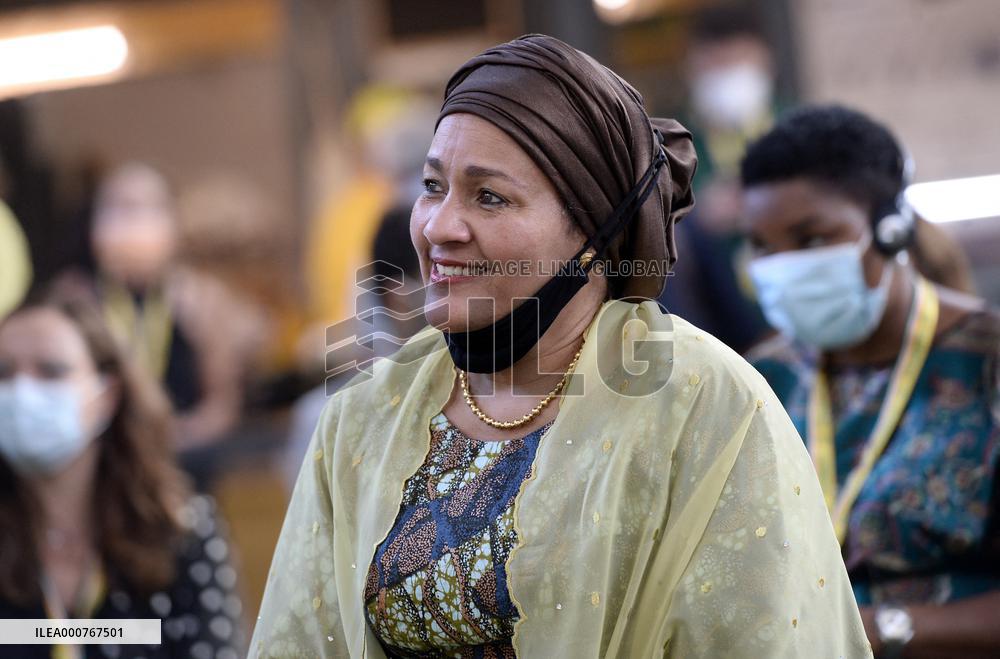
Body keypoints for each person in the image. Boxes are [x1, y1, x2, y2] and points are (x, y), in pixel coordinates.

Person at [250, 35, 871, 658]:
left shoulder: (702, 403)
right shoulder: (365, 416)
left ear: (594, 228)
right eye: (433, 186)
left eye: (489, 196)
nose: (438, 225)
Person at [741, 105, 1000, 658]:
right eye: (763, 247)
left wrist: (884, 629)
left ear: (890, 229)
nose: (783, 267)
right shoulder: (760, 379)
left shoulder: (988, 360)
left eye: (811, 240)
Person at [0, 293, 245, 657]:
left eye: (51, 371)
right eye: (3, 373)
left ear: (107, 394)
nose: (22, 392)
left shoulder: (181, 530)